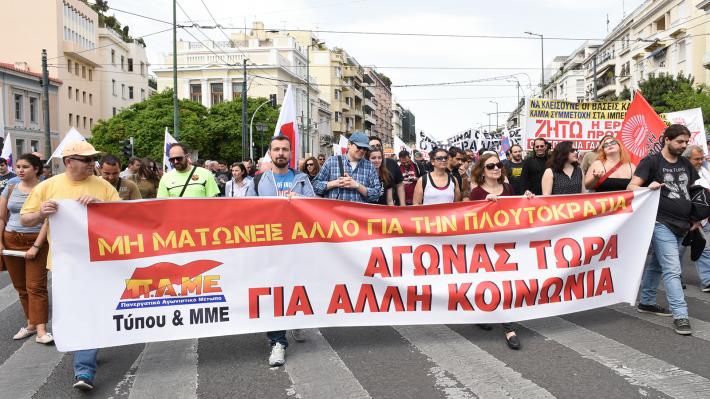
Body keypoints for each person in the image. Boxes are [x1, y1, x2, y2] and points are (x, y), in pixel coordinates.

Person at [20, 140, 120, 391]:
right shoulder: (48, 187)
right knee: (82, 313)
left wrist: (102, 208)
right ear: (69, 162)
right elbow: (26, 217)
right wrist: (41, 212)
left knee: (90, 311)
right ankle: (87, 360)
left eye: (92, 160)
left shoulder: (103, 186)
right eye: (86, 160)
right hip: (64, 266)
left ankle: (86, 364)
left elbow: (123, 217)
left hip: (99, 262)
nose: (92, 164)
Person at [246, 135, 315, 366]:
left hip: (297, 246)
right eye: (276, 149)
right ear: (270, 153)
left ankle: (296, 318)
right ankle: (277, 342)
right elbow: (246, 212)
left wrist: (301, 200)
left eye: (285, 149)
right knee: (272, 293)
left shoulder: (302, 179)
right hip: (269, 247)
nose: (281, 153)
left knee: (297, 288)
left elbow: (316, 207)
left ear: (290, 152)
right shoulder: (257, 181)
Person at [628, 124, 699, 335]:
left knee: (658, 264)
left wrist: (696, 219)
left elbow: (693, 191)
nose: (684, 146)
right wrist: (646, 187)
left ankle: (647, 301)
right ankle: (681, 314)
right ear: (666, 139)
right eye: (680, 141)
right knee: (672, 268)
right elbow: (630, 187)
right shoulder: (651, 161)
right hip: (661, 222)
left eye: (686, 142)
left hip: (684, 224)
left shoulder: (686, 163)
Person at [468, 152, 533, 349]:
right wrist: (483, 204)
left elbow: (515, 211)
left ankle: (508, 327)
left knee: (506, 285)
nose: (496, 168)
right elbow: (470, 221)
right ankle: (492, 319)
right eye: (490, 166)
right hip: (486, 246)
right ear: (482, 171)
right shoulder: (477, 193)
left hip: (506, 245)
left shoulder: (508, 187)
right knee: (488, 283)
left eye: (498, 165)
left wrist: (528, 199)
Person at [0, 154, 52, 344]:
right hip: (11, 239)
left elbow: (49, 220)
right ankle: (30, 324)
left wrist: (37, 246)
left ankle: (41, 330)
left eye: (25, 167)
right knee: (21, 287)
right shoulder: (11, 186)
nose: (20, 170)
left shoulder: (46, 187)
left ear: (36, 169)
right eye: (19, 166)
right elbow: (1, 216)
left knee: (36, 286)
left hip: (36, 241)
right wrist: (0, 242)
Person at [314, 132, 380, 203]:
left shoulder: (369, 167)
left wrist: (357, 186)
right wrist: (335, 183)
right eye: (359, 147)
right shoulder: (332, 162)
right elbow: (315, 186)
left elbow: (376, 194)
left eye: (365, 148)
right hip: (334, 213)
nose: (362, 150)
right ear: (349, 144)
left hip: (358, 212)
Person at [680, 145, 710, 292]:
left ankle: (707, 281)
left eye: (702, 158)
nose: (700, 161)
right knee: (678, 251)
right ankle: (675, 278)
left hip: (704, 219)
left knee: (705, 248)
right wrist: (693, 219)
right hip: (684, 220)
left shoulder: (704, 171)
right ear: (687, 159)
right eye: (697, 159)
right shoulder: (681, 174)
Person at [369, 136, 405, 205]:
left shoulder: (392, 163)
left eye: (378, 145)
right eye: (372, 146)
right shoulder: (363, 169)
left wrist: (403, 205)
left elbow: (399, 185)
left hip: (386, 211)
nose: (376, 148)